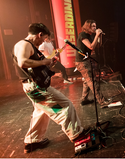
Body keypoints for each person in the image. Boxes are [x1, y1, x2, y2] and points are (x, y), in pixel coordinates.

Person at [13, 23, 85, 153]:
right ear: (39, 34)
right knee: (63, 106)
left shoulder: (28, 46)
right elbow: (22, 62)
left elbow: (34, 67)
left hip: (33, 86)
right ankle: (77, 136)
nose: (43, 41)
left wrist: (49, 64)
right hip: (36, 88)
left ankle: (32, 141)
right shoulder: (24, 44)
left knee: (41, 112)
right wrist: (44, 62)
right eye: (44, 38)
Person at [75, 20, 111, 107]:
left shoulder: (90, 36)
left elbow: (97, 46)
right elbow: (91, 47)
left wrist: (99, 37)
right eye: (93, 26)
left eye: (95, 26)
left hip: (86, 60)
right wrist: (97, 35)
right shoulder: (82, 35)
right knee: (92, 81)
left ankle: (84, 99)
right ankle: (101, 101)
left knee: (87, 81)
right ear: (88, 27)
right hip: (81, 62)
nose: (95, 28)